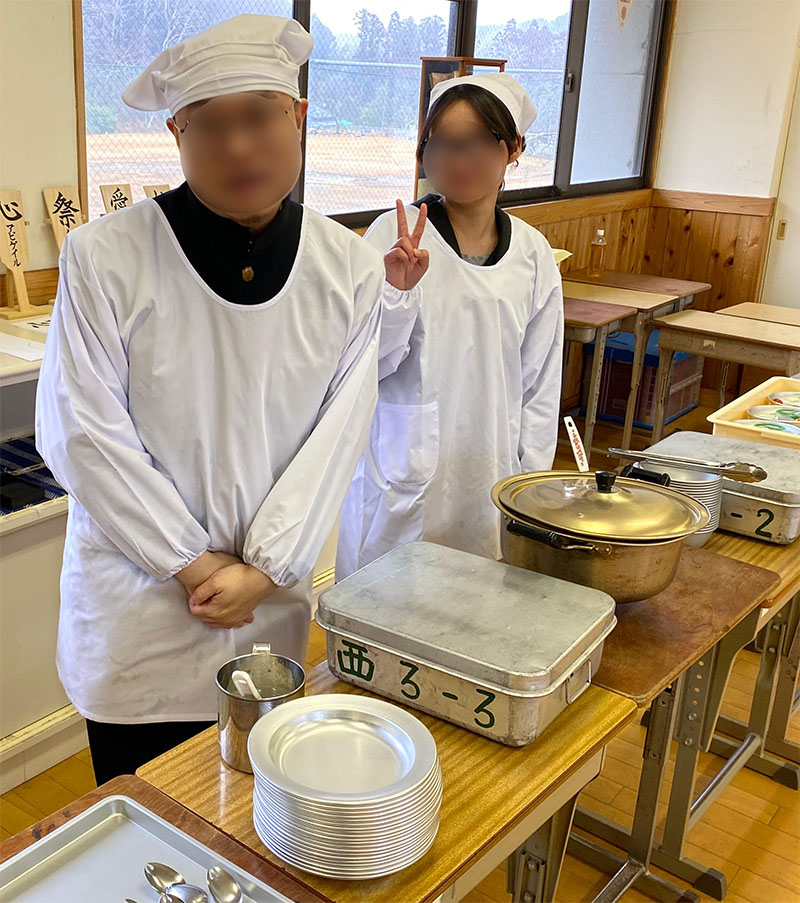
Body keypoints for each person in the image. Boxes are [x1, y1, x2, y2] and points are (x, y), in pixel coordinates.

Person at [36, 14, 386, 784]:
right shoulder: (106, 256)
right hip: (139, 611)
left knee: (252, 813)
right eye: (210, 124)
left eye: (259, 114)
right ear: (176, 133)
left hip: (269, 606)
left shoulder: (350, 270)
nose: (237, 146)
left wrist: (263, 569)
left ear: (297, 117)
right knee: (141, 819)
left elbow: (337, 439)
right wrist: (191, 563)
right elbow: (81, 433)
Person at [337, 72, 564, 578]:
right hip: (404, 471)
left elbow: (540, 385)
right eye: (441, 145)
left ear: (514, 148)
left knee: (475, 608)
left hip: (491, 467)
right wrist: (397, 291)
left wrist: (529, 484)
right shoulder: (395, 238)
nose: (458, 161)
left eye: (477, 143)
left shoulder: (532, 254)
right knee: (390, 606)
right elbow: (362, 366)